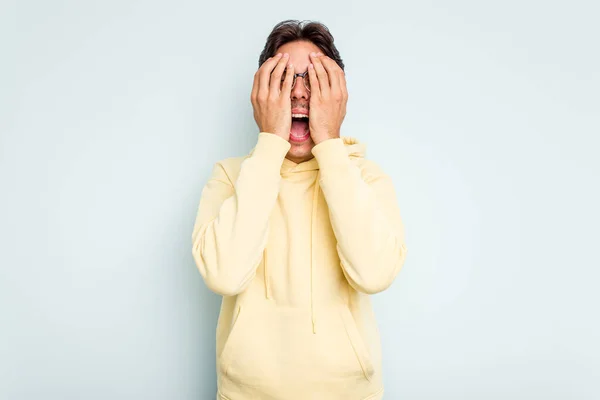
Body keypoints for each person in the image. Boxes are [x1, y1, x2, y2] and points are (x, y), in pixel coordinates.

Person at [191, 19, 408, 400]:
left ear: (337, 93)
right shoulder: (230, 176)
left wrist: (330, 145)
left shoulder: (365, 178)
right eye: (284, 78)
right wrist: (270, 143)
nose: (298, 93)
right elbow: (225, 276)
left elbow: (374, 275)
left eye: (314, 79)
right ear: (262, 92)